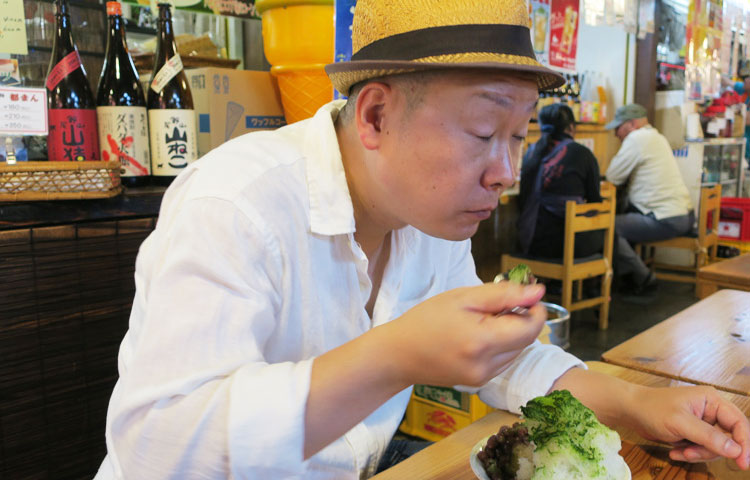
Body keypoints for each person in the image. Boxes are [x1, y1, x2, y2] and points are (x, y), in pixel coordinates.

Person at [95, 1, 750, 478]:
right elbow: (158, 451)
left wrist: (639, 404)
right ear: (376, 115)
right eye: (483, 132)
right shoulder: (235, 204)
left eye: (519, 134)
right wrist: (395, 356)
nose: (506, 173)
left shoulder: (430, 218)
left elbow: (505, 358)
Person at [604, 103, 694, 295]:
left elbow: (612, 176)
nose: (616, 134)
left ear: (631, 124)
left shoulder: (637, 138)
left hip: (665, 219)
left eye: (618, 128)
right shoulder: (657, 136)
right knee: (622, 221)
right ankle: (630, 278)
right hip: (684, 215)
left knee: (608, 227)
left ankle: (644, 278)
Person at [519, 103, 603, 258]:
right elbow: (595, 201)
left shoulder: (531, 152)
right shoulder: (582, 154)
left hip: (530, 241)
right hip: (565, 245)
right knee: (611, 236)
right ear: (571, 127)